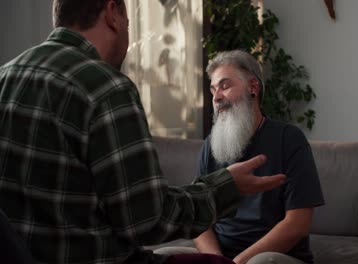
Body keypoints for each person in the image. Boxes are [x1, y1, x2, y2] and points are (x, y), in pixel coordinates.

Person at [0, 1, 286, 264]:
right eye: (127, 22)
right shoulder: (107, 87)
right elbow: (147, 221)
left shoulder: (6, 75)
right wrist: (227, 188)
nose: (217, 97)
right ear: (112, 14)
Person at [155, 50, 324, 264]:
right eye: (213, 89)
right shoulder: (210, 145)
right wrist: (216, 261)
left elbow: (297, 223)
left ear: (253, 87)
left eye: (225, 86)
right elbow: (200, 221)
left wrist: (239, 262)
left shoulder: (289, 139)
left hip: (274, 258)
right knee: (161, 257)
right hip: (223, 257)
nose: (216, 97)